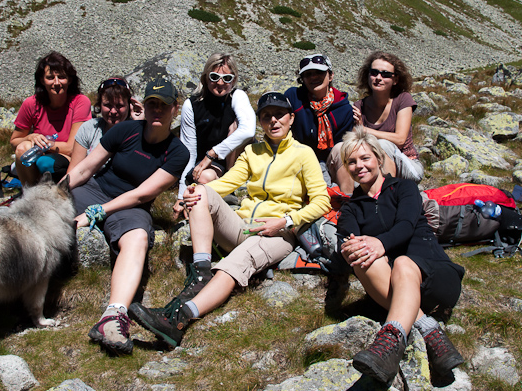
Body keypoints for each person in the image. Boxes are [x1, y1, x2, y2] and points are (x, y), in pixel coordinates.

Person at [129, 91, 331, 348]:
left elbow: (321, 202)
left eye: (280, 115)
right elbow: (227, 183)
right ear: (260, 121)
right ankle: (201, 271)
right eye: (267, 116)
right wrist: (189, 195)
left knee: (233, 264)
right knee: (202, 190)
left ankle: (179, 319)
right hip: (243, 226)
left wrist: (285, 221)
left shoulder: (304, 154)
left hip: (278, 232)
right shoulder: (253, 152)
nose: (274, 121)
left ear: (291, 118)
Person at [66, 77, 189, 355]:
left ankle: (113, 316)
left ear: (175, 109)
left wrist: (95, 214)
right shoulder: (124, 131)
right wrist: (54, 191)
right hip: (95, 191)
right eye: (151, 104)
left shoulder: (178, 153)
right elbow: (85, 169)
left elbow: (142, 194)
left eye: (164, 105)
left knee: (136, 239)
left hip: (131, 207)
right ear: (143, 106)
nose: (157, 110)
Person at [336, 128, 464, 385]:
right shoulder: (350, 208)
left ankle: (388, 341)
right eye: (351, 161)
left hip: (435, 277)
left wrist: (379, 243)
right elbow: (348, 240)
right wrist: (351, 248)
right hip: (392, 288)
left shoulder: (404, 188)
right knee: (360, 257)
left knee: (404, 263)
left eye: (365, 158)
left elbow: (406, 225)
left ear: (379, 159)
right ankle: (427, 331)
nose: (359, 166)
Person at [175, 53, 256, 217]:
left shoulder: (237, 96)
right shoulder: (192, 105)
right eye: (214, 76)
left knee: (236, 127)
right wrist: (181, 194)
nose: (220, 83)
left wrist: (212, 154)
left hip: (231, 159)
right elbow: (188, 151)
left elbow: (249, 129)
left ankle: (232, 184)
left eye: (227, 78)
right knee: (204, 177)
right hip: (210, 164)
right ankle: (223, 193)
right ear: (205, 77)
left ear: (233, 80)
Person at [10, 51, 91, 186]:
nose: (57, 83)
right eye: (50, 77)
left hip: (69, 160)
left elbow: (72, 148)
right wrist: (30, 137)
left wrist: (43, 145)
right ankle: (31, 192)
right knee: (22, 148)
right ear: (42, 80)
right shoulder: (31, 104)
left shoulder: (80, 102)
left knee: (45, 162)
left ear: (70, 80)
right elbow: (14, 142)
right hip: (44, 154)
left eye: (62, 77)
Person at [350, 51, 424, 181]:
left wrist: (365, 130)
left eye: (386, 75)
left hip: (408, 164)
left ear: (395, 79)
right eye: (374, 73)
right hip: (373, 167)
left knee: (383, 145)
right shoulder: (359, 106)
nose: (378, 77)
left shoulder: (403, 100)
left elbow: (400, 140)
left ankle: (389, 195)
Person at [283, 54, 354, 187]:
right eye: (308, 74)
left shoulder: (344, 109)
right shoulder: (294, 97)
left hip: (330, 161)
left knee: (340, 149)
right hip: (300, 158)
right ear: (302, 79)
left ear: (330, 75)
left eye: (319, 72)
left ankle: (347, 199)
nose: (313, 77)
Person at [67, 77, 143, 173]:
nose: (113, 111)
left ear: (130, 105)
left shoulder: (139, 132)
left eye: (119, 106)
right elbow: (73, 171)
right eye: (108, 105)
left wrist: (139, 124)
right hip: (89, 184)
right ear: (100, 105)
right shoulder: (89, 128)